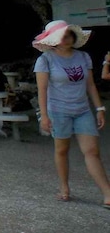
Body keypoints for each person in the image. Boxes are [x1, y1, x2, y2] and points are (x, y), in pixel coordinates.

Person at [33, 20, 110, 207]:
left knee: (92, 151)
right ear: (53, 39)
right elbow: (42, 90)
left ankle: (108, 193)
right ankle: (64, 186)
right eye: (61, 36)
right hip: (58, 111)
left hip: (82, 109)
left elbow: (90, 85)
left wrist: (99, 108)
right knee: (62, 150)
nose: (65, 39)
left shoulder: (83, 57)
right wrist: (44, 115)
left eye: (68, 35)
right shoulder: (45, 60)